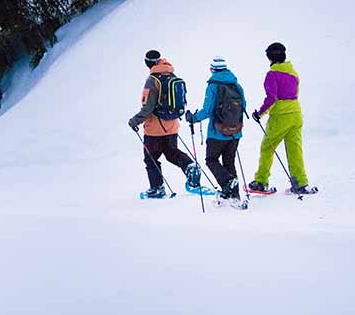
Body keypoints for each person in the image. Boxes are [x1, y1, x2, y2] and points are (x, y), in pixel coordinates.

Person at [128, 49, 201, 198]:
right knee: (172, 152)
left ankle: (157, 188)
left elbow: (148, 107)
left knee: (151, 158)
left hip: (154, 129)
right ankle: (189, 165)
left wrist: (134, 121)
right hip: (172, 125)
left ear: (147, 62)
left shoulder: (152, 80)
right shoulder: (172, 75)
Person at [249, 42, 317, 195]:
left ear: (270, 57)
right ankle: (300, 183)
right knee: (295, 150)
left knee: (267, 148)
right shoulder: (293, 72)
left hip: (281, 117)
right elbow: (295, 94)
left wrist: (259, 114)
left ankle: (261, 181)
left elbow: (271, 99)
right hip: (296, 114)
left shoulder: (272, 74)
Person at [186, 57, 245, 204]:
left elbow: (207, 111)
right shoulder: (236, 85)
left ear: (212, 69)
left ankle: (227, 183)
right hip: (235, 132)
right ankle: (233, 194)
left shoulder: (213, 86)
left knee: (211, 160)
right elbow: (243, 105)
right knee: (229, 161)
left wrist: (193, 118)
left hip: (217, 133)